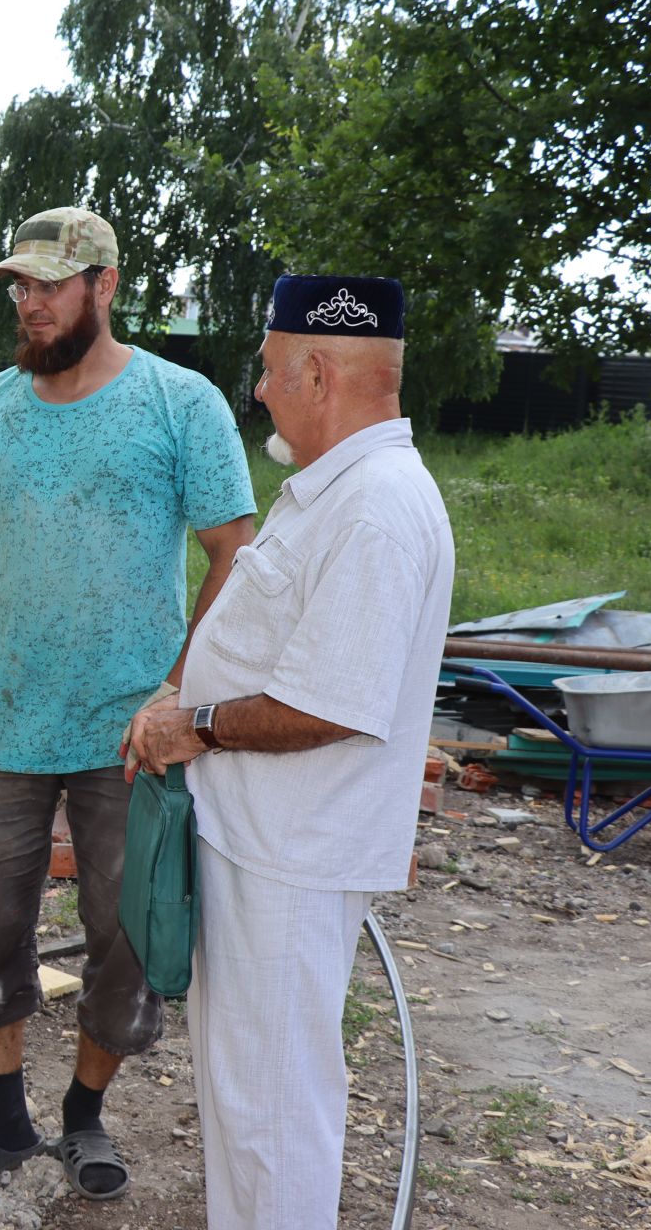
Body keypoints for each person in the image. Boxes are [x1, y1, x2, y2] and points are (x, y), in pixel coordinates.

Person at [0, 207, 256, 1206]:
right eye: (19, 284)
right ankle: (3, 1115)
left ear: (105, 284)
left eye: (51, 283)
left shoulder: (182, 405)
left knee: (126, 935)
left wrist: (182, 690)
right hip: (3, 719)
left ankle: (85, 1112)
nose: (29, 300)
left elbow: (234, 549)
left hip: (129, 734)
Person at [128, 275, 454, 1229]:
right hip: (263, 842)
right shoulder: (334, 492)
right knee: (248, 1100)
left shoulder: (375, 508)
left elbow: (333, 704)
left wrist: (195, 727)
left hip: (293, 857)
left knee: (274, 1112)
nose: (260, 391)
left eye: (270, 372)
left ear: (318, 371)